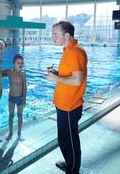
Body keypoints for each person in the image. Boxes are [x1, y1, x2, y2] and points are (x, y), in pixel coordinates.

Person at [46, 21, 87, 174]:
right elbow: (71, 75)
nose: (53, 37)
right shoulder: (68, 50)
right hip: (63, 105)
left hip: (70, 106)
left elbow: (77, 80)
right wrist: (58, 74)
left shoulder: (75, 52)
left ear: (67, 35)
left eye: (55, 34)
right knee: (64, 140)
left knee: (70, 142)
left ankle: (73, 170)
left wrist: (56, 79)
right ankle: (70, 162)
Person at [2, 54, 26, 141]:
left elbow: (24, 86)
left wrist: (24, 99)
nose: (20, 64)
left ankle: (19, 133)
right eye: (18, 62)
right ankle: (10, 132)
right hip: (11, 98)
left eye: (21, 63)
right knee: (11, 115)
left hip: (20, 98)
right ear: (14, 63)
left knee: (20, 115)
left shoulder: (23, 74)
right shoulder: (9, 72)